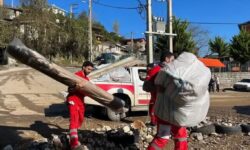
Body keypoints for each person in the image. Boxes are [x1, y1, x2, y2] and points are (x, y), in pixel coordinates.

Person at [144, 51, 188, 150]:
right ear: (167, 59)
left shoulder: (174, 71)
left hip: (174, 109)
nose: (174, 62)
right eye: (172, 60)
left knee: (181, 135)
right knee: (163, 135)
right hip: (163, 109)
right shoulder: (156, 70)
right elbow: (146, 86)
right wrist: (158, 88)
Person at [66, 61, 94, 150]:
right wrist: (78, 87)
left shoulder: (86, 79)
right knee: (74, 120)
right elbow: (70, 90)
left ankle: (72, 135)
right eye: (88, 69)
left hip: (81, 102)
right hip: (73, 100)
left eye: (91, 70)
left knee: (80, 120)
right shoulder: (76, 76)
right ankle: (74, 144)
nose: (90, 71)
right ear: (83, 67)